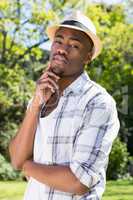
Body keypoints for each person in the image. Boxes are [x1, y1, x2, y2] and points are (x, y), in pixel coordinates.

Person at [9, 11, 120, 200]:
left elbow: (79, 182)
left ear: (88, 56)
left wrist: (27, 166)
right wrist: (36, 103)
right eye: (58, 41)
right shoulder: (40, 96)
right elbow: (16, 157)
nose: (62, 49)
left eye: (74, 45)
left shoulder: (97, 102)